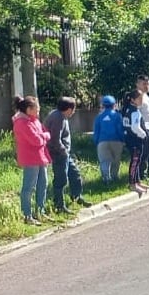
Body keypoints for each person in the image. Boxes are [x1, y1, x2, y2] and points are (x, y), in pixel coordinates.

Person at [43, 96, 90, 214]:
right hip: (58, 153)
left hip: (64, 153)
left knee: (75, 174)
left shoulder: (60, 116)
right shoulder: (58, 118)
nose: (73, 112)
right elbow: (55, 139)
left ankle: (76, 196)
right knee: (61, 179)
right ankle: (59, 205)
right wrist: (63, 150)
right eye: (73, 109)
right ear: (69, 109)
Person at [11, 96, 51, 224]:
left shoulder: (34, 120)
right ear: (29, 109)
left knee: (42, 184)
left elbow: (44, 133)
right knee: (28, 187)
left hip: (40, 157)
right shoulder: (21, 123)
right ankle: (27, 215)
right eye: (37, 109)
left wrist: (43, 135)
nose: (38, 111)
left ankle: (40, 211)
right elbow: (37, 140)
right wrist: (45, 136)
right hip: (30, 158)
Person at [121, 90, 149, 195]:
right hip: (135, 140)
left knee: (136, 161)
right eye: (139, 98)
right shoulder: (134, 111)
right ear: (133, 100)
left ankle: (137, 182)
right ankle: (132, 184)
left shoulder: (128, 109)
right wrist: (144, 135)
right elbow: (135, 127)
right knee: (135, 162)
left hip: (129, 138)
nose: (141, 100)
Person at [93, 95, 125, 182]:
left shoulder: (99, 117)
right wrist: (123, 140)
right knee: (116, 159)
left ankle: (106, 178)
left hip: (102, 142)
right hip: (116, 141)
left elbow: (96, 132)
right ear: (114, 105)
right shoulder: (117, 116)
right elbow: (120, 129)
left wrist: (96, 142)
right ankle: (115, 176)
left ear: (103, 105)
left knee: (104, 161)